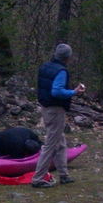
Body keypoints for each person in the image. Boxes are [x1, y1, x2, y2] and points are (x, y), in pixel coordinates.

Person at [31, 43, 86, 188]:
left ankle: (64, 174)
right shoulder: (61, 71)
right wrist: (74, 92)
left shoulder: (45, 67)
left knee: (60, 142)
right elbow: (56, 91)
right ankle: (38, 178)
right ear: (67, 57)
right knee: (50, 144)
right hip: (55, 110)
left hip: (45, 107)